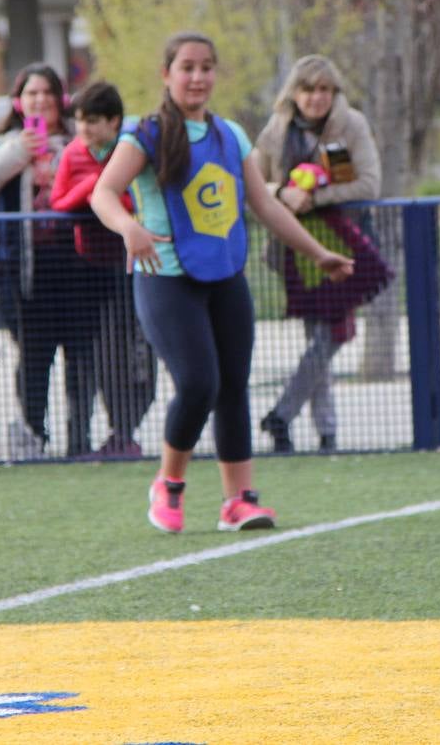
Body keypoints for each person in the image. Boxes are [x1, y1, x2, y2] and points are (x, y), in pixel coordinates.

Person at [90, 32, 353, 534]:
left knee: (233, 386)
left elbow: (267, 204)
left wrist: (319, 254)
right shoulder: (143, 135)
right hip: (166, 278)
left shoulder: (230, 135)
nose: (197, 76)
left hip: (226, 277)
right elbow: (104, 192)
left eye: (206, 67)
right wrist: (130, 228)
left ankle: (239, 501)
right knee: (197, 383)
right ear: (166, 75)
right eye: (186, 67)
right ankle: (169, 483)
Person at [0, 63, 100, 458]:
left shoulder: (81, 139)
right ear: (18, 102)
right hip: (25, 271)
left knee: (82, 354)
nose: (40, 100)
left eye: (47, 93)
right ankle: (33, 435)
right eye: (31, 93)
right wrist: (17, 152)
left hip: (78, 266)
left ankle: (81, 439)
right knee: (35, 358)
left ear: (62, 99)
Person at [255, 55, 386, 453]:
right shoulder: (276, 130)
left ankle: (283, 413)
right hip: (294, 250)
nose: (316, 98)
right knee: (319, 336)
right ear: (294, 93)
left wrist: (316, 198)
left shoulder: (352, 124)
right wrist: (282, 193)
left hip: (346, 245)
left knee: (334, 332)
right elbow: (256, 185)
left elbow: (368, 184)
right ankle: (324, 432)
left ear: (335, 92)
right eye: (308, 89)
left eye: (324, 89)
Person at [51, 80, 156, 457]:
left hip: (134, 266)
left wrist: (111, 196)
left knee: (139, 355)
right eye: (80, 120)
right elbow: (59, 202)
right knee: (96, 356)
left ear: (115, 122)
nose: (84, 129)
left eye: (93, 120)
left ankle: (125, 430)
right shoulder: (73, 155)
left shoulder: (135, 150)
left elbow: (140, 199)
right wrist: (98, 187)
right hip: (88, 269)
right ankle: (96, 435)